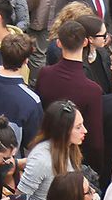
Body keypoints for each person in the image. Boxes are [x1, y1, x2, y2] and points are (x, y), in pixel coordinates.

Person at [34, 22, 106, 176]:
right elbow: (95, 141)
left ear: (59, 43)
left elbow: (39, 113)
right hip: (74, 160)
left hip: (45, 149)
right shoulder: (92, 90)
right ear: (86, 42)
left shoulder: (44, 74)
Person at [18, 103, 89, 200]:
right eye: (78, 127)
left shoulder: (71, 149)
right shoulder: (41, 160)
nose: (85, 130)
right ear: (63, 131)